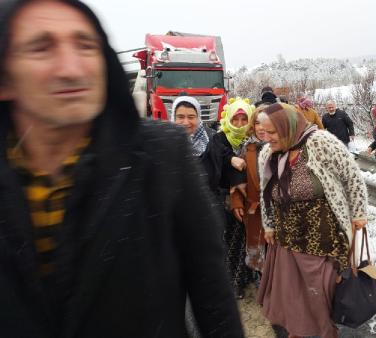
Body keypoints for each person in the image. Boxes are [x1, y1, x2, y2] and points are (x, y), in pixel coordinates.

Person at [0, 1, 243, 337]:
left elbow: (213, 297)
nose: (72, 68)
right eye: (41, 48)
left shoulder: (162, 156)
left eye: (86, 45)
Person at [256, 103, 369, 338]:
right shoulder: (268, 153)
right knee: (293, 295)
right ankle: (296, 331)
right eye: (263, 131)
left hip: (323, 237)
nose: (266, 137)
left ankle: (326, 332)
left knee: (320, 294)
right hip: (287, 239)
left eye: (272, 132)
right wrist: (268, 224)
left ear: (287, 127)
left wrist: (358, 213)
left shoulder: (320, 142)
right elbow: (265, 191)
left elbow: (352, 177)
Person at [203, 97, 255, 298]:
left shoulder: (252, 140)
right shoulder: (219, 139)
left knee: (246, 239)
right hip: (225, 199)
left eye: (244, 119)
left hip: (249, 198)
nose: (240, 124)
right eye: (236, 119)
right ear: (228, 120)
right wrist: (230, 159)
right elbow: (218, 157)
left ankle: (246, 276)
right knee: (230, 241)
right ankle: (232, 284)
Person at [230, 104, 268, 278]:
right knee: (255, 243)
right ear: (253, 125)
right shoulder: (247, 148)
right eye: (258, 123)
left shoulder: (282, 149)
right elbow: (238, 178)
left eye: (267, 123)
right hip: (253, 208)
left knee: (276, 247)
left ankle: (275, 281)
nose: (262, 128)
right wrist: (236, 201)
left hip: (277, 209)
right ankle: (258, 276)